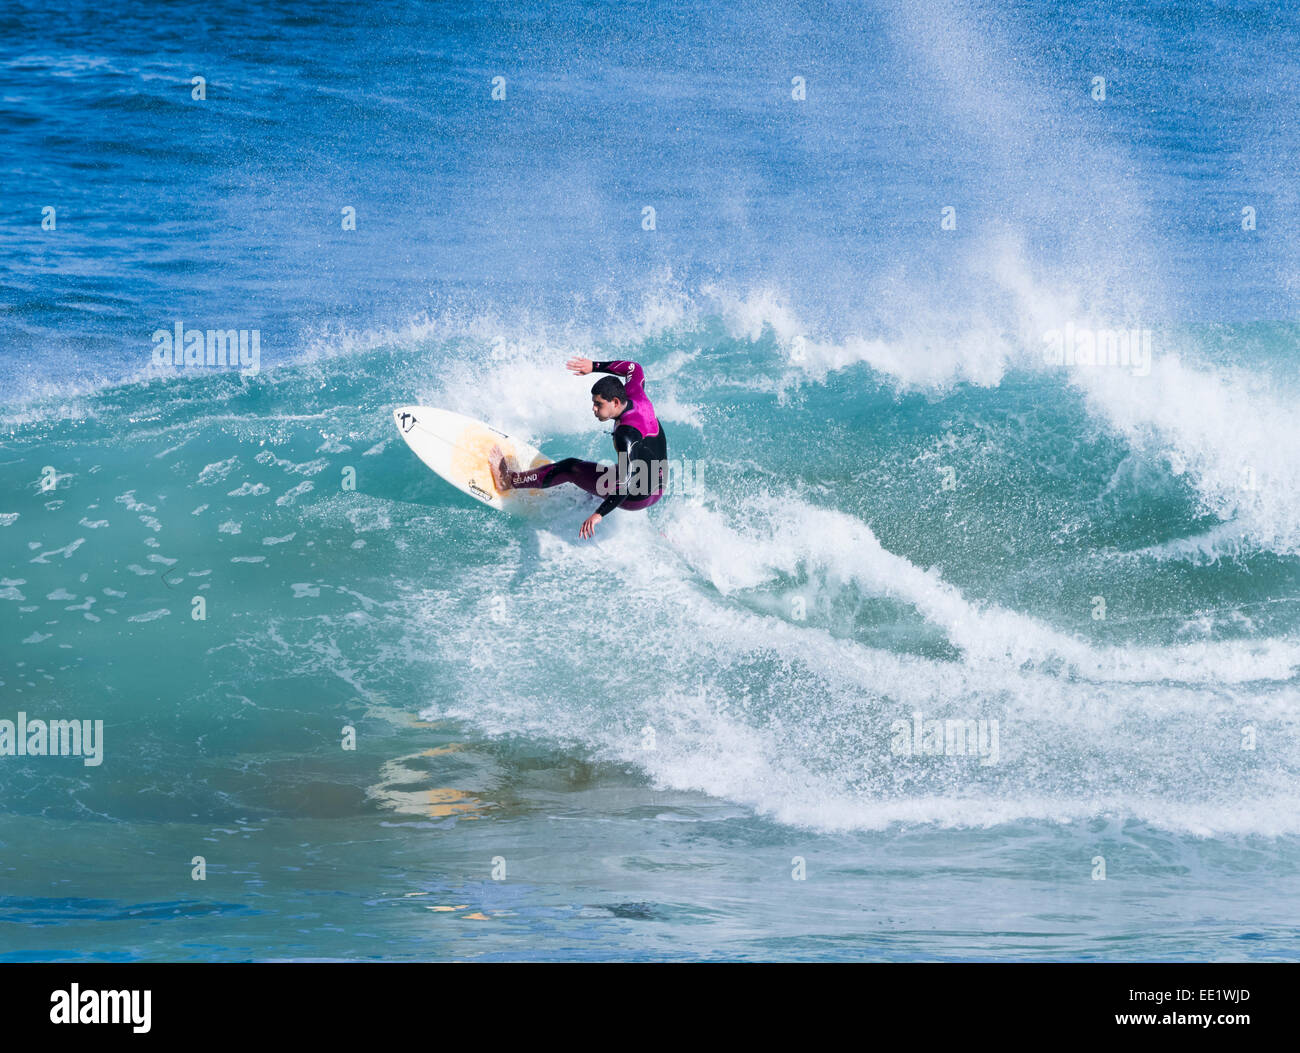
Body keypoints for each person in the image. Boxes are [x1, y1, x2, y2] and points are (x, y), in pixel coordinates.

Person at [490, 357, 667, 538]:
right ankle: (589, 497)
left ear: (615, 401)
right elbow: (634, 368)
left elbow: (626, 484)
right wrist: (594, 366)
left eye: (599, 404)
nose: (594, 409)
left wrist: (599, 514)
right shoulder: (636, 396)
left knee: (569, 468)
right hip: (658, 486)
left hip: (635, 497)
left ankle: (509, 481)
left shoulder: (626, 435)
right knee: (619, 470)